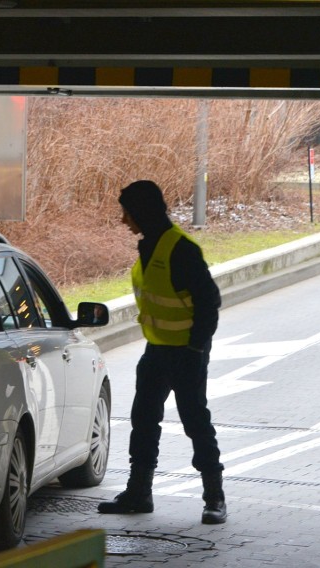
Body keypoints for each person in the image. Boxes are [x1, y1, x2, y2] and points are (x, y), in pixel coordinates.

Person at [97, 180, 227, 524]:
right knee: (143, 420)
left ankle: (214, 498)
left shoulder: (181, 249)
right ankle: (139, 493)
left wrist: (196, 346)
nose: (124, 220)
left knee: (195, 421)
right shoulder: (149, 246)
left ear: (141, 212)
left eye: (127, 213)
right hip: (156, 351)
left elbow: (209, 302)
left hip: (185, 352)